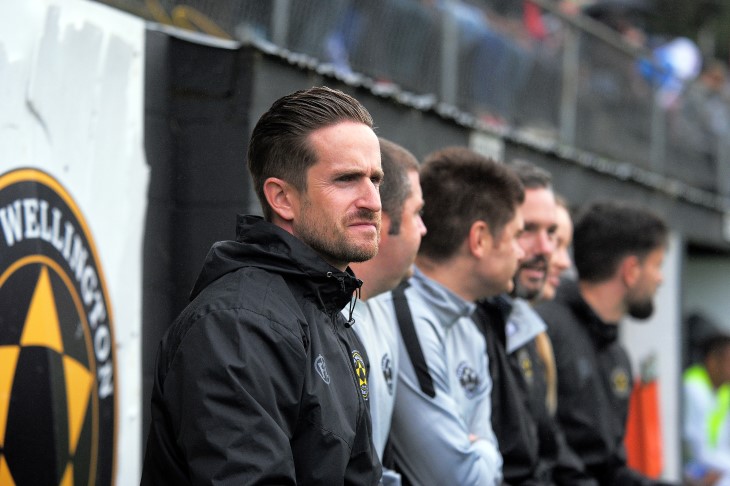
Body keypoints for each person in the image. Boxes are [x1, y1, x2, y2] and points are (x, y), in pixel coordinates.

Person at [141, 86, 384, 485]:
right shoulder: (238, 326)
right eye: (346, 179)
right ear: (282, 198)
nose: (372, 201)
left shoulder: (332, 318)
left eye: (375, 180)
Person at [389, 146, 525, 485]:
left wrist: (478, 451)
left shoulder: (470, 327)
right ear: (479, 239)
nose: (521, 253)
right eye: (517, 236)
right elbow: (457, 479)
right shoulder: (405, 314)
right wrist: (483, 453)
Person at [536, 200, 672, 486]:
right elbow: (542, 450)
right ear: (631, 270)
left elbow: (610, 468)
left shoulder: (617, 354)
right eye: (657, 266)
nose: (660, 280)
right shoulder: (544, 330)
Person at [474, 160, 594, 485]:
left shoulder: (527, 328)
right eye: (527, 229)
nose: (548, 251)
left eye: (552, 233)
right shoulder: (463, 322)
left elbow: (548, 452)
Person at [345, 137, 426, 485]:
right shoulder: (325, 317)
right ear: (382, 219)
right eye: (418, 213)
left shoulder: (385, 305)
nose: (424, 228)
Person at [683, 333, 730, 485]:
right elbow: (696, 449)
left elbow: (723, 443)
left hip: (714, 466)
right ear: (712, 362)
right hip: (691, 466)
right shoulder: (693, 387)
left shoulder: (724, 391)